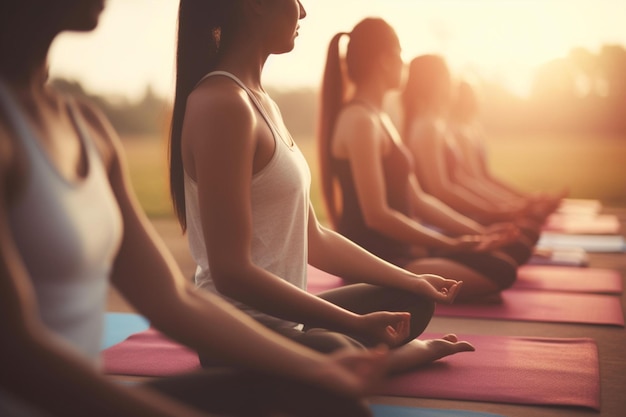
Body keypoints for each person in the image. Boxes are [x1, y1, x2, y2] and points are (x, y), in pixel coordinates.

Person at [0, 1, 399, 416]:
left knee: (332, 393)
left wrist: (320, 369)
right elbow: (17, 354)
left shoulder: (87, 127)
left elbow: (173, 297)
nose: (303, 11)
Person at [169, 0, 473, 374]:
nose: (303, 11)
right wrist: (352, 323)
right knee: (334, 343)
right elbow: (231, 272)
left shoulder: (261, 103)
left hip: (285, 325)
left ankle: (354, 355)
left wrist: (411, 278)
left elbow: (313, 235)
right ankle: (378, 359)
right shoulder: (221, 104)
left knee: (413, 300)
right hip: (238, 338)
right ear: (256, 5)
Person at [318, 19, 529, 300]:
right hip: (379, 260)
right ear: (385, 61)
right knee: (501, 270)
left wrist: (478, 234)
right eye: (401, 54)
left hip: (404, 250)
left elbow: (417, 200)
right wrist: (450, 243)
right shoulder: (360, 120)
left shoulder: (379, 118)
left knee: (505, 255)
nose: (405, 65)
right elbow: (377, 215)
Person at [400, 55, 559, 237]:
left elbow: (463, 179)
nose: (452, 83)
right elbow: (441, 191)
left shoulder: (434, 125)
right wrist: (495, 213)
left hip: (455, 217)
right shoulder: (427, 126)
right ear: (434, 81)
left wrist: (507, 206)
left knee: (526, 232)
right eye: (447, 76)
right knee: (524, 236)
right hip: (441, 224)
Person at [447, 79, 565, 221]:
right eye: (472, 97)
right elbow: (473, 179)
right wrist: (506, 207)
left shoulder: (473, 129)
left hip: (484, 201)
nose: (477, 101)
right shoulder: (458, 132)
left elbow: (485, 176)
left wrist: (522, 199)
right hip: (471, 209)